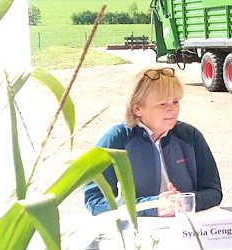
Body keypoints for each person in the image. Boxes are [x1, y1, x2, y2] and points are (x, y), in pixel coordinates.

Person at [84, 67, 222, 216]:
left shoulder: (190, 136)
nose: (172, 109)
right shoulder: (116, 140)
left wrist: (185, 201)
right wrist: (152, 206)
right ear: (137, 108)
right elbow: (95, 201)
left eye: (175, 102)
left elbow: (214, 191)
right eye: (163, 104)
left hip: (187, 225)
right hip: (138, 230)